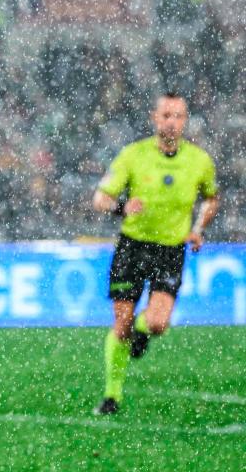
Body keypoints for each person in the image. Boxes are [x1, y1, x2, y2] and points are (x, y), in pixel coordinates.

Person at [92, 92, 219, 415]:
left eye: (178, 116)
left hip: (170, 249)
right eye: (166, 115)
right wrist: (122, 206)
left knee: (159, 322)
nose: (172, 122)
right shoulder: (133, 155)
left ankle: (141, 333)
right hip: (132, 247)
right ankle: (111, 396)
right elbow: (100, 198)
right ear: (154, 118)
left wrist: (199, 228)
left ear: (185, 120)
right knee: (120, 326)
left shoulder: (199, 161)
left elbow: (211, 198)